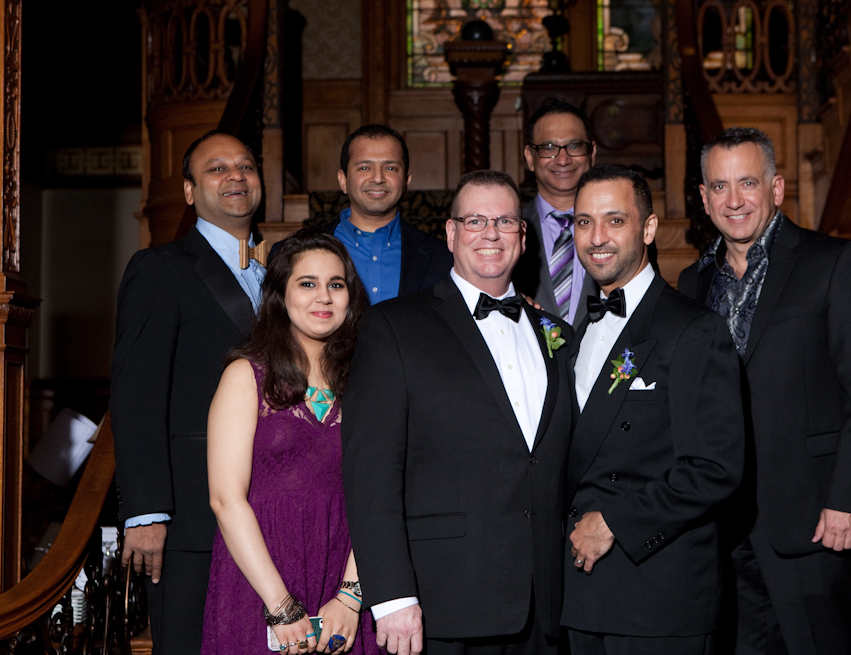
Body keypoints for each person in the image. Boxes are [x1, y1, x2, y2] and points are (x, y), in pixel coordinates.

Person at [342, 170, 574, 655]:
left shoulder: (558, 335)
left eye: (505, 221)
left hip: (548, 605)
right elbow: (372, 474)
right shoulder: (394, 327)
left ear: (523, 236)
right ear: (450, 234)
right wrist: (391, 596)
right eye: (475, 220)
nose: (490, 233)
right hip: (442, 604)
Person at [678, 127, 851, 655]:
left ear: (776, 188)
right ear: (703, 198)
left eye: (747, 183)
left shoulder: (834, 263)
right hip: (720, 527)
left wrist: (849, 498)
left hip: (815, 520)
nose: (734, 200)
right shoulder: (691, 283)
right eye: (719, 187)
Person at [564, 165, 745, 655]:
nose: (596, 238)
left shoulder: (693, 330)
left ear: (647, 229)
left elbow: (715, 469)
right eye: (583, 222)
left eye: (614, 221)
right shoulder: (574, 335)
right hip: (580, 596)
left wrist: (617, 522)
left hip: (657, 598)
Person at [111, 130, 267, 655]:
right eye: (217, 169)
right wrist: (148, 511)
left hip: (268, 509)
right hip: (189, 519)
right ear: (188, 191)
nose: (236, 177)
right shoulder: (159, 269)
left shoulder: (278, 280)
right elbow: (136, 395)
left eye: (245, 166)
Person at [201, 230, 376, 655]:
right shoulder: (246, 377)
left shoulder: (373, 379)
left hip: (352, 568)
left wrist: (351, 596)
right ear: (280, 295)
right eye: (307, 283)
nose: (324, 297)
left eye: (336, 285)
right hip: (261, 577)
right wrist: (280, 605)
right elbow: (225, 499)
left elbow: (383, 492)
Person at [269, 125, 452, 302]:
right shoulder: (289, 254)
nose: (378, 178)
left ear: (406, 181)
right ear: (343, 180)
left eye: (390, 168)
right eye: (364, 168)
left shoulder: (444, 257)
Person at [515, 98, 598, 327]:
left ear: (591, 153)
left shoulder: (625, 229)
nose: (563, 159)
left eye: (574, 146)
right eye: (549, 148)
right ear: (530, 158)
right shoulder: (507, 231)